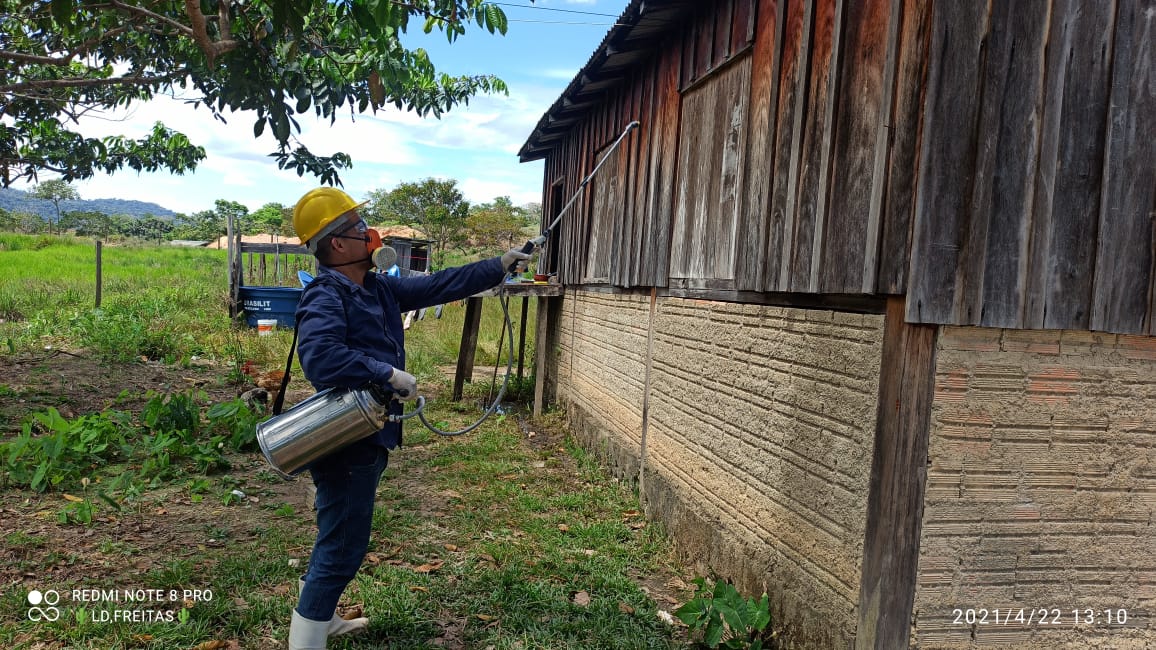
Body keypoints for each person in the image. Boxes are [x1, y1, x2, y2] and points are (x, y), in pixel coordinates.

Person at [286, 187, 530, 649]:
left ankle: (323, 616)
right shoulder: (326, 294)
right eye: (359, 226)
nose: (370, 232)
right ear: (337, 244)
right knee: (342, 547)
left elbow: (437, 285)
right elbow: (320, 357)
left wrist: (497, 265)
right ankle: (307, 637)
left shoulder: (376, 287)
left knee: (336, 531)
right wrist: (386, 372)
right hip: (346, 436)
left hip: (369, 428)